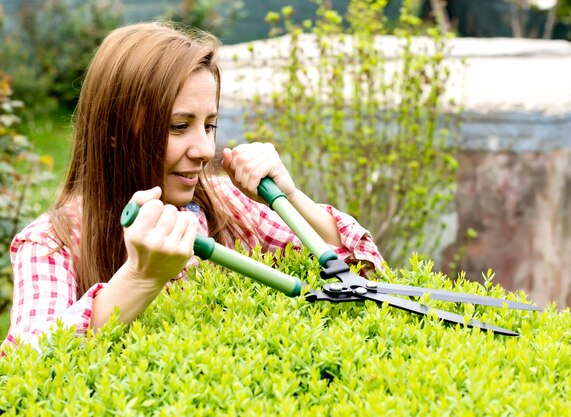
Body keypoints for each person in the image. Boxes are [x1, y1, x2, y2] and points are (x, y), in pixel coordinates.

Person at [2, 22, 383, 351]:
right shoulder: (52, 244)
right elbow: (28, 368)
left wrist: (292, 195)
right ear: (116, 132)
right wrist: (141, 278)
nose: (204, 149)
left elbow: (364, 273)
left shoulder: (223, 204)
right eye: (179, 126)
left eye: (210, 124)